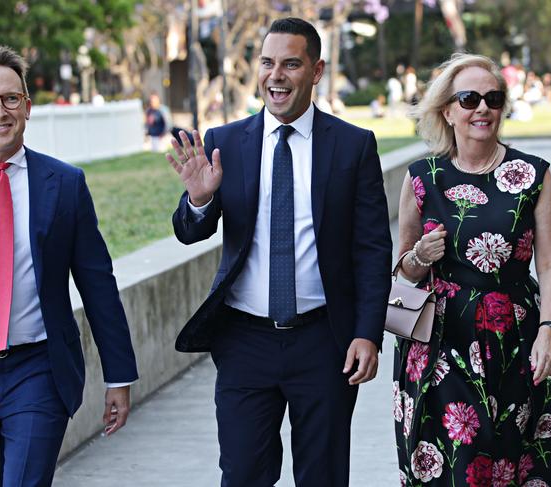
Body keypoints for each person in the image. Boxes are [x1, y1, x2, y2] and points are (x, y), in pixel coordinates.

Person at [166, 17, 392, 487]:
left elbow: (371, 250)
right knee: (244, 473)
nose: (276, 75)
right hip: (245, 341)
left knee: (323, 476)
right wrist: (200, 200)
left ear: (316, 70)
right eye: (268, 63)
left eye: (291, 63)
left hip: (324, 342)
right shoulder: (225, 142)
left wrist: (367, 333)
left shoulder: (353, 146)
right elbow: (190, 233)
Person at [0, 46, 138, 486]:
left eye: (10, 98)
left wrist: (119, 376)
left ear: (27, 107)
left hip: (38, 369)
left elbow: (98, 285)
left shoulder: (65, 185)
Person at [394, 53, 551, 486]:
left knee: (514, 456)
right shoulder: (422, 177)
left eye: (493, 98)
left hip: (516, 336)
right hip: (440, 343)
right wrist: (420, 256)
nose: (482, 108)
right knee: (458, 462)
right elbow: (402, 270)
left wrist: (549, 327)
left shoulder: (531, 175)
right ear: (448, 111)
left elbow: (550, 262)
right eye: (469, 99)